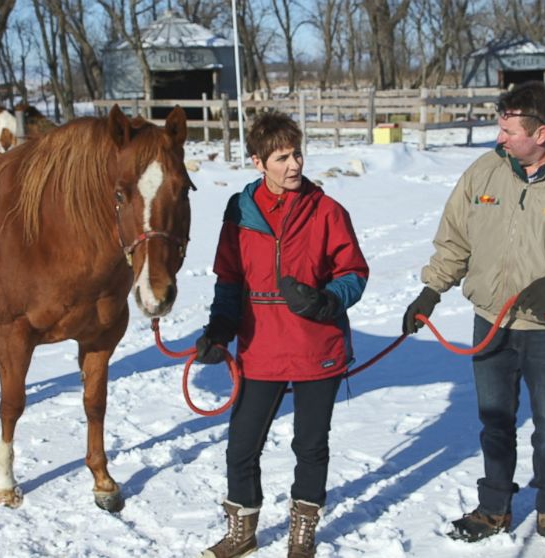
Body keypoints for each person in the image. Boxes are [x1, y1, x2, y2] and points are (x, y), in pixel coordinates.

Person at [402, 81, 545, 556]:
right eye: (500, 126)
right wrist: (431, 290)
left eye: (509, 130)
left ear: (542, 132)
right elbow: (455, 241)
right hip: (490, 320)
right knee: (494, 421)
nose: (500, 138)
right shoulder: (485, 172)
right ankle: (495, 508)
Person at [196, 112, 369, 558]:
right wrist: (220, 329)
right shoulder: (240, 211)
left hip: (317, 349)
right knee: (241, 446)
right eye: (281, 157)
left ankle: (302, 533)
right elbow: (229, 280)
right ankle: (243, 532)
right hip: (261, 349)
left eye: (297, 154)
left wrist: (328, 300)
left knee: (310, 445)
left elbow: (354, 272)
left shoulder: (326, 210)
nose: (294, 165)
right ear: (258, 162)